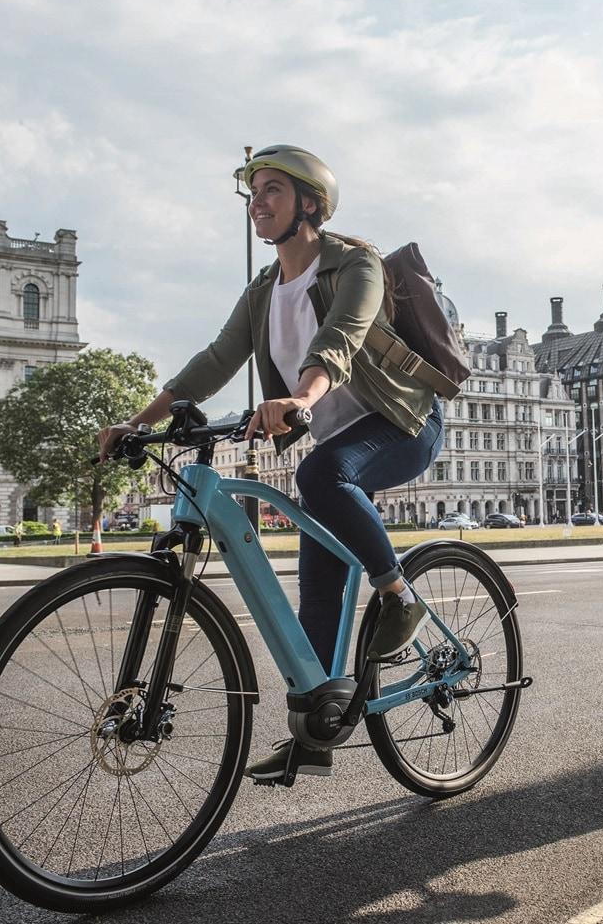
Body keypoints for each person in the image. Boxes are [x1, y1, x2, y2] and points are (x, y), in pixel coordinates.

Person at [97, 145, 444, 782]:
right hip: (335, 440)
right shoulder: (262, 291)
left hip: (402, 424)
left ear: (309, 203)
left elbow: (340, 337)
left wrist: (302, 398)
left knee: (317, 476)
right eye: (253, 193)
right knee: (315, 584)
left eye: (272, 191)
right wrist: (138, 423)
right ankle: (315, 732)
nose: (257, 203)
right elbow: (215, 358)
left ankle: (398, 595)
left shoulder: (354, 263)